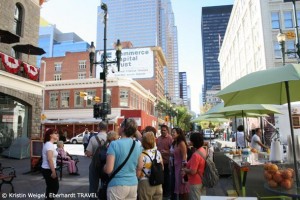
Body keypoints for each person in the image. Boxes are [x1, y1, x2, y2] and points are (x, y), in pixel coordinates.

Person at [104, 118, 143, 200]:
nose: (118, 127)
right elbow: (140, 166)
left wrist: (104, 167)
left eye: (120, 126)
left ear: (123, 128)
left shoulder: (114, 144)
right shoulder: (138, 145)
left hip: (117, 185)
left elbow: (108, 170)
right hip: (133, 184)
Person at [137, 131, 163, 200]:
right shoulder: (158, 153)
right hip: (158, 183)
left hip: (145, 183)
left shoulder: (141, 154)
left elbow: (139, 168)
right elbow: (162, 167)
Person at [85, 122, 108, 200]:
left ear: (99, 128)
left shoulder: (93, 138)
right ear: (106, 128)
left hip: (95, 164)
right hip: (107, 165)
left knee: (93, 187)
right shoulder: (110, 138)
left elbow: (88, 153)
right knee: (105, 185)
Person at [182, 132, 206, 200]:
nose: (189, 142)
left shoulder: (196, 155)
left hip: (195, 182)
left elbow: (193, 171)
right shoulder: (203, 150)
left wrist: (185, 170)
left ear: (194, 142)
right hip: (202, 179)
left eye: (190, 140)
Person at [171, 127, 189, 200]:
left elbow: (184, 156)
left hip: (181, 168)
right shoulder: (175, 143)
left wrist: (183, 169)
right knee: (179, 186)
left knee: (183, 187)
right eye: (172, 132)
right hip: (176, 167)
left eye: (174, 132)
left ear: (178, 134)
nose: (172, 133)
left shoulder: (181, 143)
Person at [41, 128, 59, 200]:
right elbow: (49, 159)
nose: (57, 134)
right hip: (48, 170)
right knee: (54, 188)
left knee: (50, 188)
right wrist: (53, 172)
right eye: (55, 133)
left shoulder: (49, 144)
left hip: (48, 169)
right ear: (50, 135)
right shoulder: (49, 145)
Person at [156, 124, 173, 198]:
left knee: (167, 178)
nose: (163, 131)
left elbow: (173, 151)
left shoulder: (170, 139)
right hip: (159, 162)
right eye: (162, 130)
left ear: (167, 131)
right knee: (160, 177)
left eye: (164, 130)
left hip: (166, 162)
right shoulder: (158, 138)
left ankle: (167, 193)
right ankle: (162, 192)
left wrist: (166, 152)